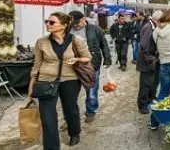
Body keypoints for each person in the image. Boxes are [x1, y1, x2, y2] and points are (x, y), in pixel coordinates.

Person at [28, 12, 92, 149]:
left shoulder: (76, 40)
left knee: (70, 109)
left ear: (64, 25)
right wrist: (32, 84)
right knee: (47, 117)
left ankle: (74, 132)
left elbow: (87, 57)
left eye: (52, 22)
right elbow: (36, 64)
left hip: (70, 80)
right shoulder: (41, 42)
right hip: (46, 80)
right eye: (47, 21)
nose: (47, 24)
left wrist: (77, 59)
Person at [68, 10, 112, 123]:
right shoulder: (67, 30)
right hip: (72, 65)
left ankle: (91, 111)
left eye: (77, 23)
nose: (75, 26)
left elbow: (104, 45)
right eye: (73, 24)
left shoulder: (95, 29)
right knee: (70, 93)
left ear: (83, 19)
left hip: (91, 64)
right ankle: (71, 116)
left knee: (91, 90)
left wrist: (107, 59)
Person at [137, 10, 163, 114]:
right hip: (147, 62)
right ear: (157, 20)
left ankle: (150, 100)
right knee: (145, 84)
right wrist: (150, 59)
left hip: (152, 60)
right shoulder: (148, 27)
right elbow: (144, 46)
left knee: (152, 83)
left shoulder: (152, 26)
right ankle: (142, 105)